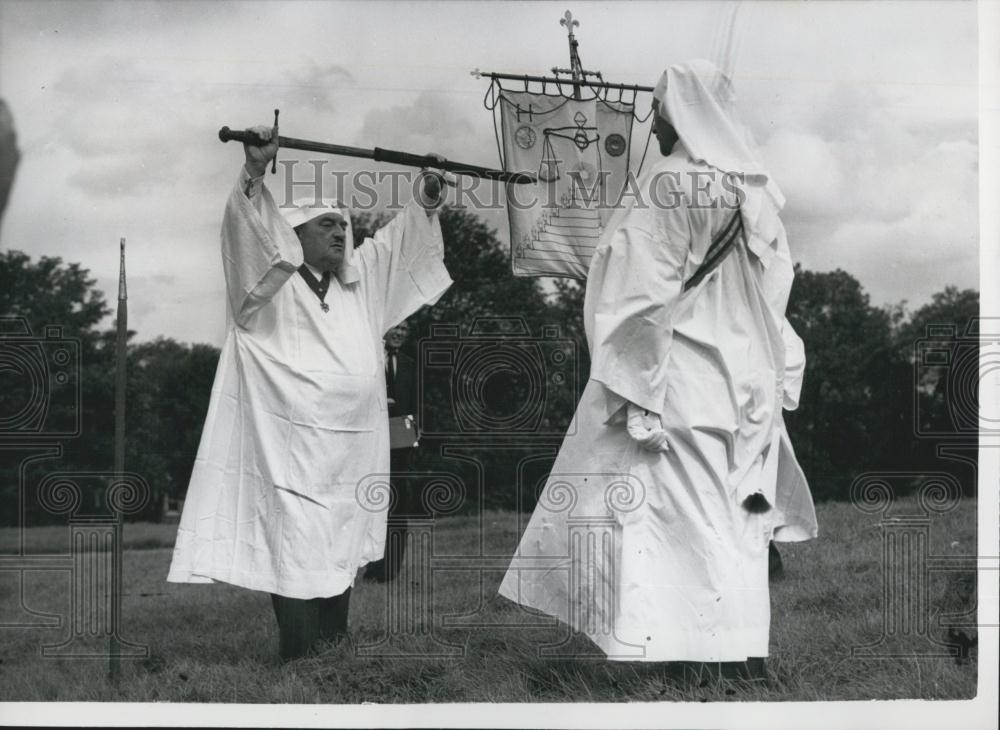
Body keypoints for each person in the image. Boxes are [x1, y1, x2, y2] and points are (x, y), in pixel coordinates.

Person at [498, 60, 817, 675]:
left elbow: (635, 294)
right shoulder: (756, 194)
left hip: (685, 382)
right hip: (746, 393)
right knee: (733, 531)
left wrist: (634, 391)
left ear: (677, 116)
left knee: (684, 529)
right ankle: (742, 660)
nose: (652, 123)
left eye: (656, 110)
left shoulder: (668, 184)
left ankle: (699, 668)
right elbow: (775, 298)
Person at [167, 121, 453, 660]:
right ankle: (299, 652)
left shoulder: (360, 279)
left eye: (343, 226)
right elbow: (244, 231)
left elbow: (397, 244)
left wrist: (427, 197)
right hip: (289, 447)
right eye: (326, 225)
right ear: (294, 233)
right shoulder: (266, 284)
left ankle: (333, 648)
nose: (340, 234)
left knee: (340, 537)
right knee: (295, 541)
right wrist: (254, 171)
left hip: (350, 445)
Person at [364, 320, 420, 583]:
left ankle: (390, 570)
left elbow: (419, 404)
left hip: (401, 447)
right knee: (371, 503)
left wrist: (417, 433)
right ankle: (370, 565)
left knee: (398, 506)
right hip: (370, 444)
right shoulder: (370, 360)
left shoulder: (410, 365)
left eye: (405, 329)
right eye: (396, 327)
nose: (400, 332)